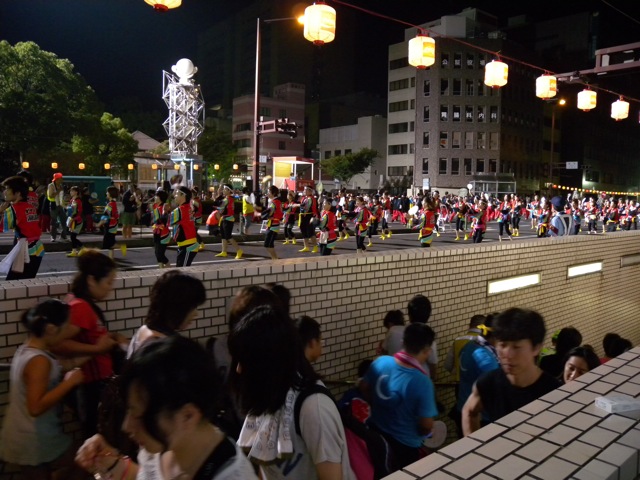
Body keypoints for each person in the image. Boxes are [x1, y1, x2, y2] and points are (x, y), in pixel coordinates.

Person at [75, 336, 258, 480]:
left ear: (188, 416)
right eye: (129, 410)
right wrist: (112, 463)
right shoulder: (165, 444)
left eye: (138, 415)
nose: (126, 426)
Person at [228, 305, 354, 480]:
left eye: (246, 360)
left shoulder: (314, 409)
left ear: (269, 361)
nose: (239, 369)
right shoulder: (267, 395)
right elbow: (264, 467)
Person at [0, 299, 86, 480]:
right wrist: (68, 383)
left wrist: (94, 352)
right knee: (85, 459)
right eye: (66, 325)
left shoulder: (26, 349)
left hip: (26, 434)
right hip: (33, 438)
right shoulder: (39, 361)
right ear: (51, 330)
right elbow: (35, 407)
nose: (70, 329)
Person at [52, 250, 125, 439]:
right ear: (92, 280)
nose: (110, 288)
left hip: (95, 385)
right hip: (92, 388)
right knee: (98, 439)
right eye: (108, 282)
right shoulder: (80, 307)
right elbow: (56, 343)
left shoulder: (80, 302)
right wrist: (97, 349)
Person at [462, 308, 561, 435]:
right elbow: (469, 412)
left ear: (536, 348)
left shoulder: (554, 392)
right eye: (502, 345)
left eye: (516, 347)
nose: (508, 354)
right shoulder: (488, 383)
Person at [362, 323, 440, 470]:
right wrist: (428, 433)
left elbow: (364, 387)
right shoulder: (423, 383)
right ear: (427, 350)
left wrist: (377, 406)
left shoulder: (380, 362)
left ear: (403, 343)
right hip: (404, 447)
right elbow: (426, 425)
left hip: (375, 437)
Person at [127, 270, 207, 358]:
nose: (196, 313)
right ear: (178, 306)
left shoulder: (144, 330)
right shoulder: (161, 347)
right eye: (193, 307)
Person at [454, 319, 499, 438]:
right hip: (480, 417)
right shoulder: (486, 359)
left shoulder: (468, 346)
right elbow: (495, 391)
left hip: (462, 407)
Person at [0, 175, 45, 279]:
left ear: (18, 193)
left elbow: (2, 228)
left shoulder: (13, 210)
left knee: (13, 284)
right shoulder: (30, 207)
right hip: (37, 249)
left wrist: (1, 212)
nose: (4, 192)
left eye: (7, 189)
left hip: (25, 252)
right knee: (27, 282)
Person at [169, 186, 199, 267]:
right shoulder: (188, 207)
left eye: (177, 194)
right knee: (181, 270)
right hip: (188, 244)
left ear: (183, 196)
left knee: (182, 271)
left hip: (187, 246)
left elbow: (167, 221)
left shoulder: (180, 210)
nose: (175, 195)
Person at [96, 186, 126, 259]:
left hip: (109, 225)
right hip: (114, 224)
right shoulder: (115, 203)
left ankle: (121, 246)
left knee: (107, 244)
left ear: (110, 193)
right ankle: (111, 258)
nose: (106, 193)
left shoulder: (110, 204)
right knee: (111, 242)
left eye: (107, 192)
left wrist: (98, 224)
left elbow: (105, 216)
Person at [216, 185, 243, 259]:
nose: (223, 191)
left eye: (225, 189)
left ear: (229, 191)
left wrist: (218, 196)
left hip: (228, 219)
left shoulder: (227, 199)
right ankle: (224, 251)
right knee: (223, 236)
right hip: (224, 218)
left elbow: (219, 205)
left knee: (228, 236)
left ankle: (239, 250)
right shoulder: (228, 198)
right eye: (223, 189)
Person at [260, 185, 283, 260]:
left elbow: (269, 213)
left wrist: (261, 214)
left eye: (269, 192)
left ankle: (275, 259)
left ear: (273, 193)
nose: (267, 193)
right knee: (269, 244)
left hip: (273, 225)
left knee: (268, 244)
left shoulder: (273, 202)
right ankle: (274, 258)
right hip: (273, 224)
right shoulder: (277, 201)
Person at [47, 172, 69, 242]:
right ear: (57, 179)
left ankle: (63, 235)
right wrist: (58, 191)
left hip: (60, 205)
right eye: (60, 178)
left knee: (64, 219)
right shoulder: (51, 185)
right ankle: (53, 237)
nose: (62, 180)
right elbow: (50, 195)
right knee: (54, 221)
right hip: (53, 204)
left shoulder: (61, 185)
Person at [151, 189, 171, 268]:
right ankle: (161, 269)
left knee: (160, 254)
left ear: (161, 198)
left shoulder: (164, 207)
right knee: (157, 253)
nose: (155, 197)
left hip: (163, 234)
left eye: (157, 196)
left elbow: (163, 220)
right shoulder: (156, 206)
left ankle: (168, 267)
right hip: (157, 232)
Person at [299, 186, 319, 253]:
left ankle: (315, 247)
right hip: (303, 216)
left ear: (310, 191)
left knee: (310, 232)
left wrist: (297, 205)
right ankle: (306, 246)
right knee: (304, 231)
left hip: (309, 216)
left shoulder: (310, 198)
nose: (304, 191)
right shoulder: (304, 198)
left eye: (306, 190)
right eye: (304, 190)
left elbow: (306, 207)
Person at [66, 186, 85, 257]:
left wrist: (73, 218)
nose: (71, 192)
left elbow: (79, 211)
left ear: (76, 192)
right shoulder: (72, 200)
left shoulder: (78, 200)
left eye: (72, 191)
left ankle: (81, 249)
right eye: (70, 191)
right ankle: (75, 250)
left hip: (77, 221)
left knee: (73, 236)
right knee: (72, 236)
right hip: (72, 220)